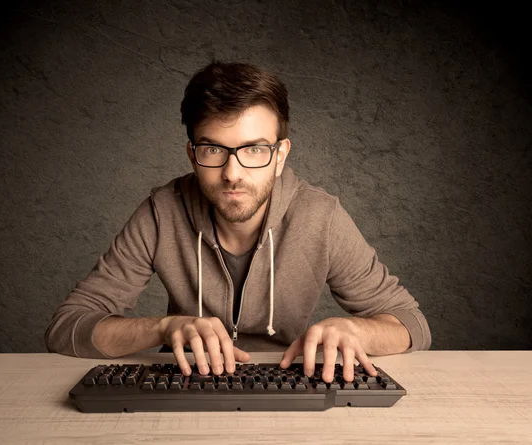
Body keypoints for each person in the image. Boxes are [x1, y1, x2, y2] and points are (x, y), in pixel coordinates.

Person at [45, 60, 431, 384]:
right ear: (193, 154)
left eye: (254, 150)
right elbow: (67, 328)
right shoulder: (161, 212)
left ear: (280, 155)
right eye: (214, 149)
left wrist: (354, 330)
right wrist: (164, 328)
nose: (232, 173)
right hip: (185, 380)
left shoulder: (320, 217)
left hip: (287, 382)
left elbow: (412, 325)